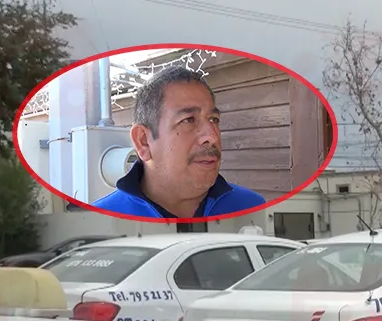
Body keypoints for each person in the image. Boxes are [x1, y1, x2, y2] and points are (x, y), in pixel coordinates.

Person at [93, 66, 266, 219]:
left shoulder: (252, 209)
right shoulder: (100, 222)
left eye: (214, 119)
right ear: (143, 141)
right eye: (188, 120)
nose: (212, 136)